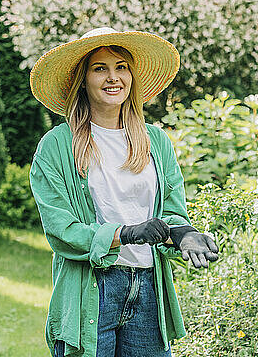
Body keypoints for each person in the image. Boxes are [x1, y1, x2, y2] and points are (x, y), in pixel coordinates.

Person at [29, 27, 219, 357]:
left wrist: (185, 234)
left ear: (132, 76)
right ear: (82, 79)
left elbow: (171, 212)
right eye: (99, 68)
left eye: (121, 67)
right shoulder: (57, 146)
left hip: (147, 289)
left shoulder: (154, 141)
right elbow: (62, 230)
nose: (113, 77)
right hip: (93, 289)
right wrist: (125, 234)